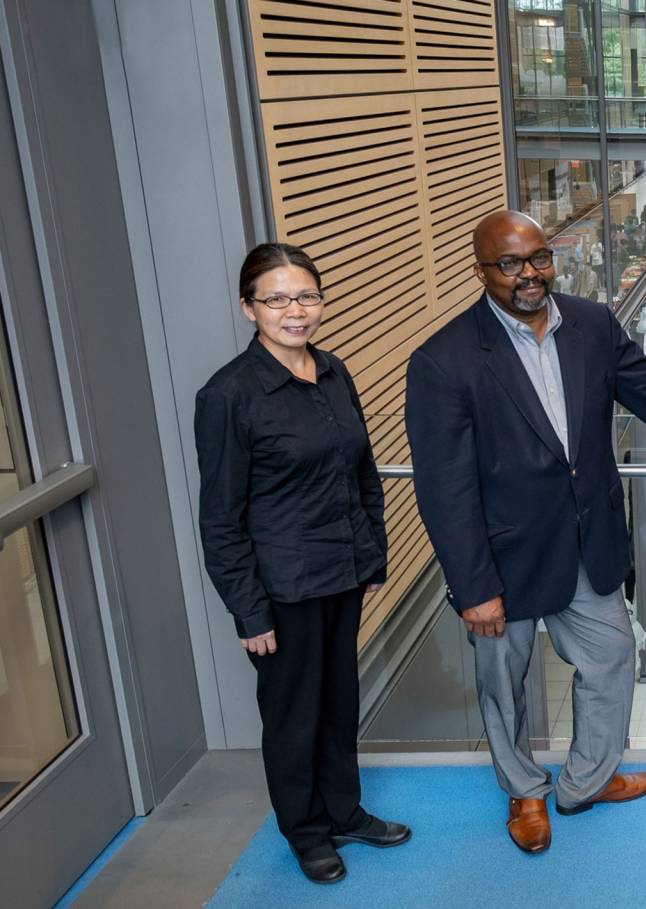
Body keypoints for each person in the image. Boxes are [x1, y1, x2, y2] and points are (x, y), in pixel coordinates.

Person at [405, 210, 646, 854]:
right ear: (482, 270)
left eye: (539, 258)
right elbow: (445, 488)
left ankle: (586, 781)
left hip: (586, 543)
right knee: (504, 684)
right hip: (502, 558)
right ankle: (525, 792)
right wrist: (472, 586)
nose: (529, 274)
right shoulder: (444, 360)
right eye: (510, 264)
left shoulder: (592, 324)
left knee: (611, 655)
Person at [195, 243, 409, 884]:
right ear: (248, 308)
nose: (296, 311)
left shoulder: (333, 370)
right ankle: (307, 831)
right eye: (277, 299)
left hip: (343, 572)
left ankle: (344, 810)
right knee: (293, 716)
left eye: (307, 296)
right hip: (282, 587)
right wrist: (248, 610)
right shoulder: (229, 395)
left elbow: (361, 472)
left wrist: (371, 555)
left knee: (340, 702)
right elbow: (220, 518)